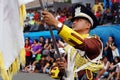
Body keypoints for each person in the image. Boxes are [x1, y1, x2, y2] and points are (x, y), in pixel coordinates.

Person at [42, 4, 103, 80]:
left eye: (79, 20)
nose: (74, 22)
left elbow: (82, 43)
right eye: (74, 20)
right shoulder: (69, 47)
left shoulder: (95, 41)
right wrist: (62, 68)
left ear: (88, 25)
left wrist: (56, 23)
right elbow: (55, 73)